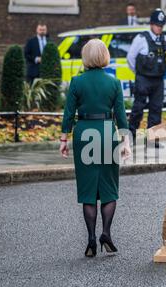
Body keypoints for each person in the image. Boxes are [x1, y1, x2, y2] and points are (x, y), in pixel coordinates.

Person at [60, 39, 132, 258]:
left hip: (84, 133)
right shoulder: (113, 83)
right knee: (109, 188)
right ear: (105, 56)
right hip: (107, 132)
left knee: (88, 190)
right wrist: (126, 142)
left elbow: (68, 113)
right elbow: (121, 116)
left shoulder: (76, 82)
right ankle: (106, 233)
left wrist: (64, 139)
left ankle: (91, 238)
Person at [127, 9, 166, 148]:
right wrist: (139, 73)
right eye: (158, 25)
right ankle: (130, 137)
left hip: (158, 80)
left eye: (161, 25)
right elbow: (130, 58)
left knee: (156, 109)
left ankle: (153, 139)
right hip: (143, 79)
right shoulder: (141, 39)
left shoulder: (165, 39)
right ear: (151, 24)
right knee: (138, 109)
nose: (160, 28)